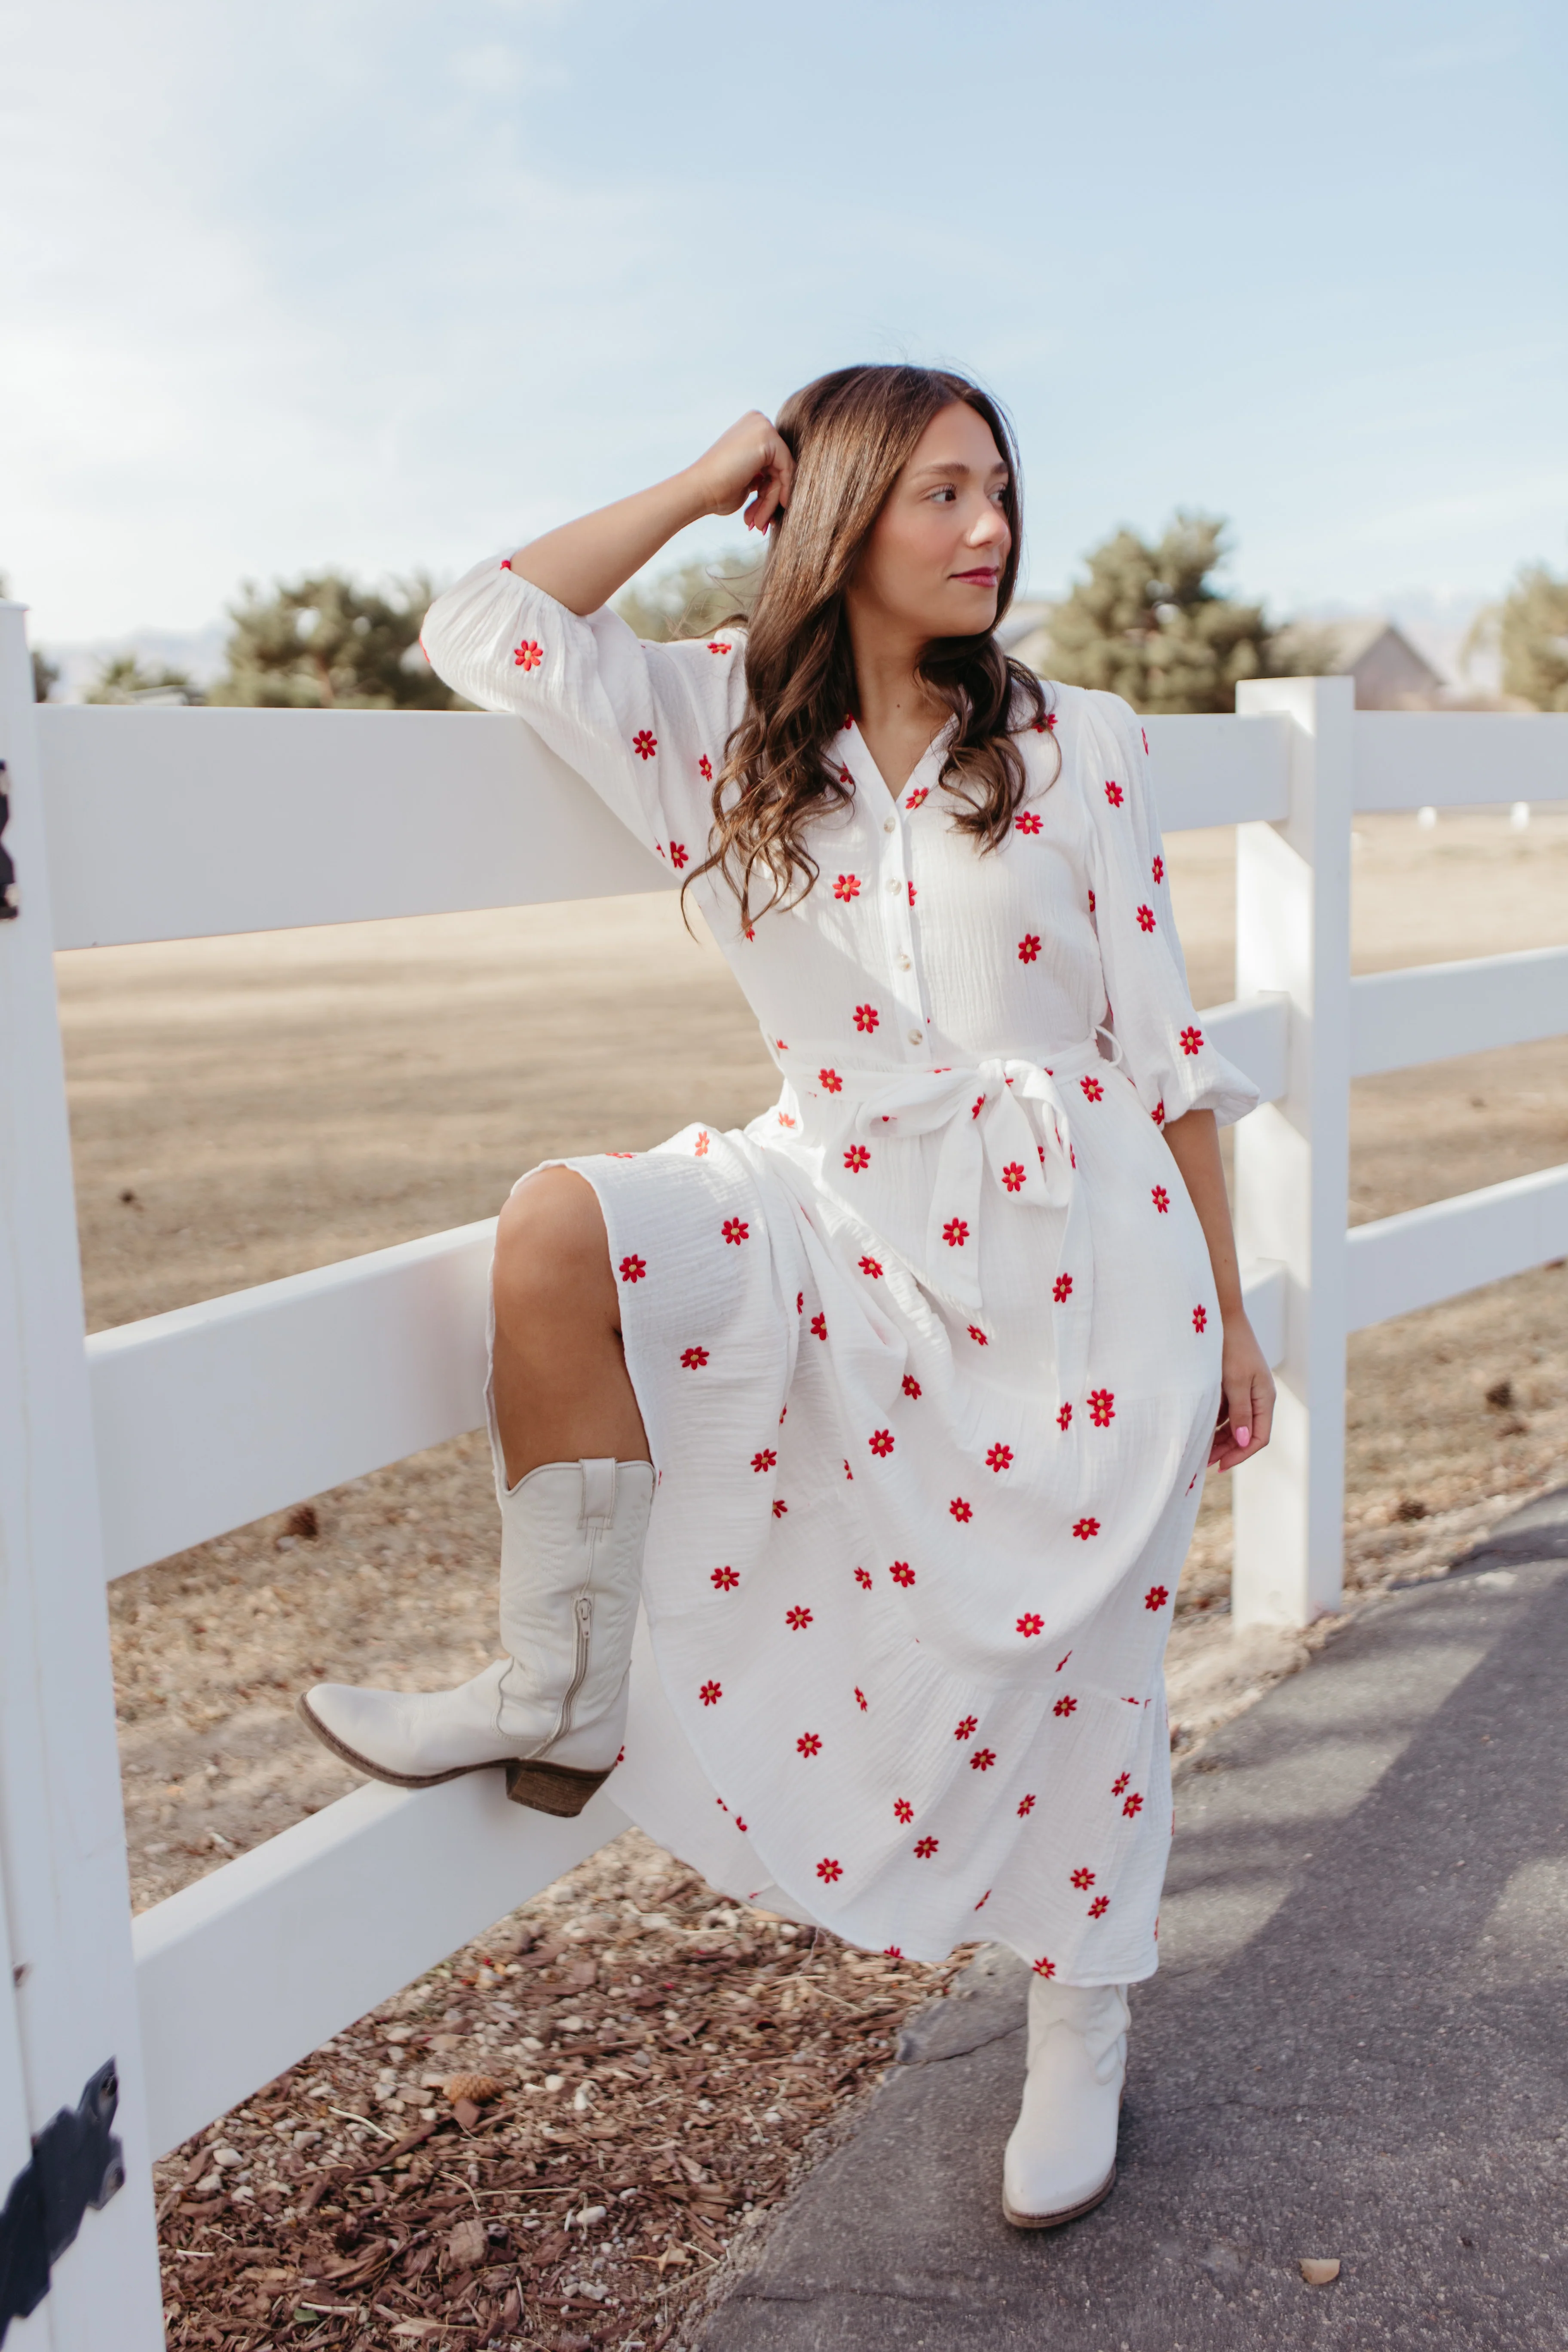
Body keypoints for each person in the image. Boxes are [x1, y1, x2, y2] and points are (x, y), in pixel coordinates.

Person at [300, 364, 1274, 2229]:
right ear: (833, 513)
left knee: (1071, 1666)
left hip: (1085, 1253)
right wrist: (711, 472)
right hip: (833, 1202)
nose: (989, 530)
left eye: (1000, 491)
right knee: (564, 1229)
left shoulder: (1083, 741)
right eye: (936, 496)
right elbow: (480, 624)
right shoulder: (719, 720)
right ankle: (559, 1685)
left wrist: (1234, 1310)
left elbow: (1163, 1056)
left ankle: (1083, 2019)